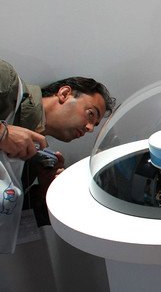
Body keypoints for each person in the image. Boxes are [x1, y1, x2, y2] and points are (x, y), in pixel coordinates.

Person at [0, 59, 115, 252]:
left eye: (94, 126)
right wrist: (3, 134)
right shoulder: (7, 83)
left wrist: (46, 189)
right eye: (90, 114)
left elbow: (12, 217)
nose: (88, 128)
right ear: (64, 93)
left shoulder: (30, 160)